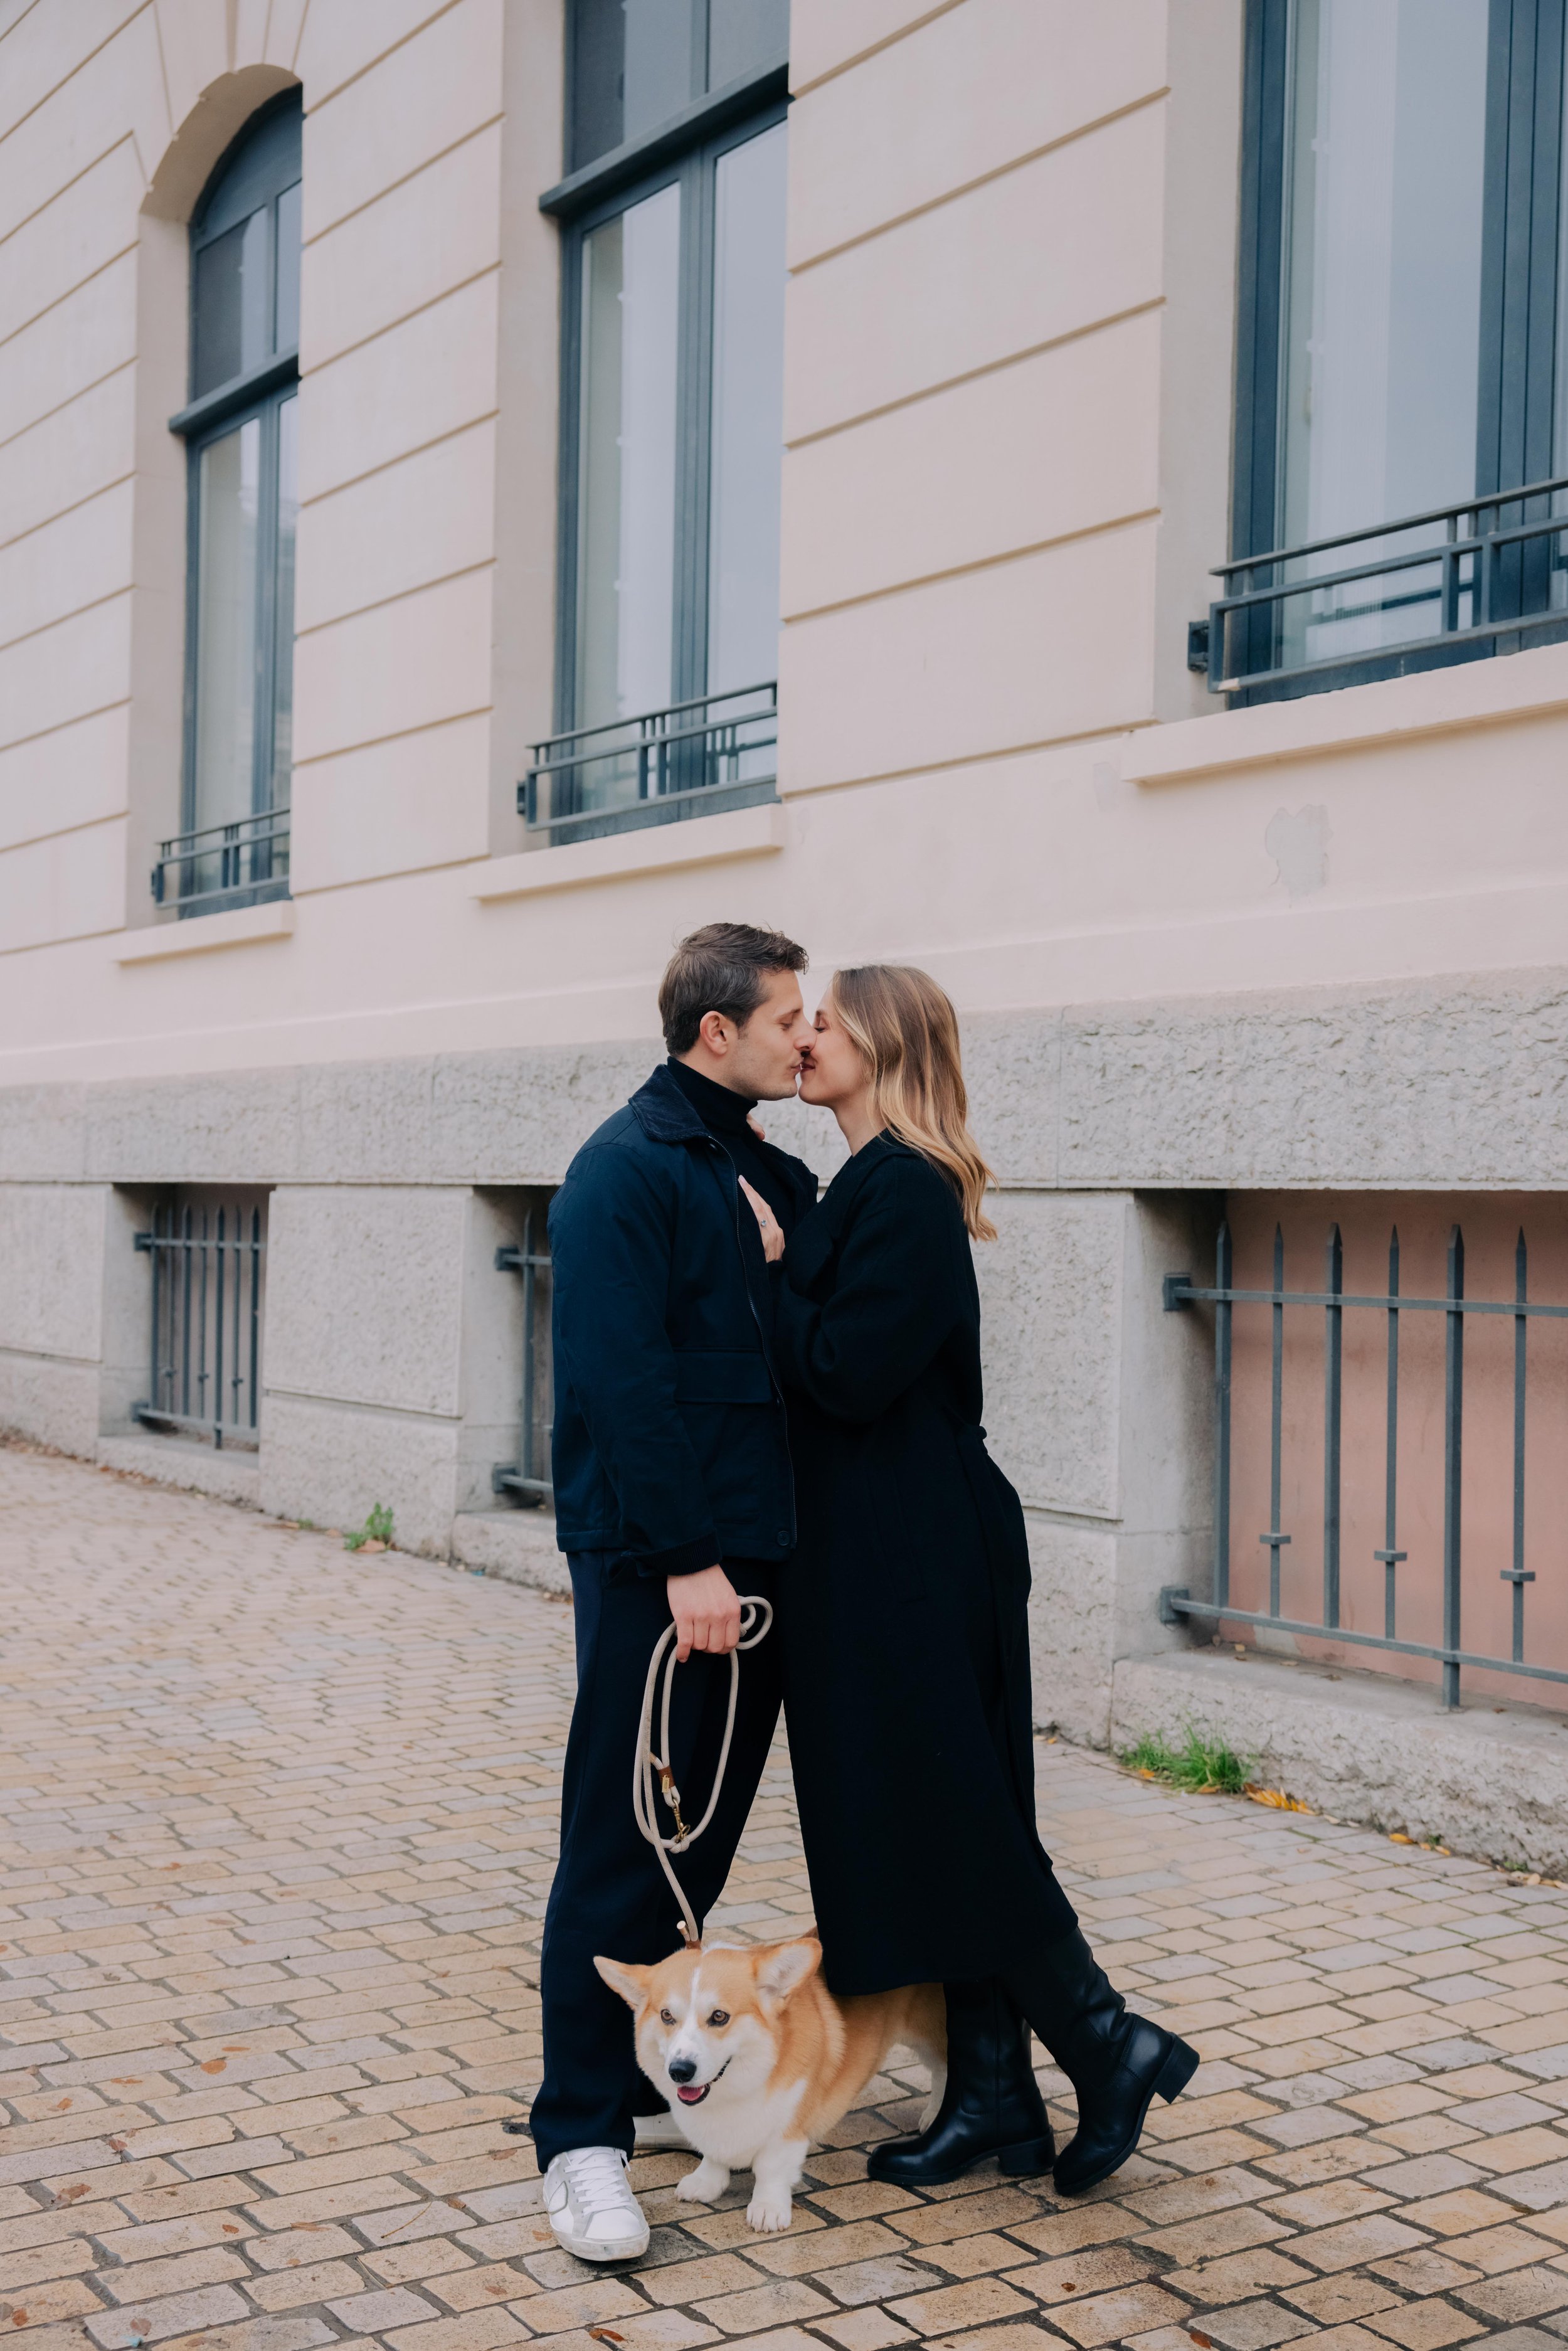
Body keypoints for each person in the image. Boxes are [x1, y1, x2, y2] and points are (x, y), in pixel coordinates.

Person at [739, 964, 1197, 2197]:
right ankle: (993, 2091)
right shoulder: (865, 1182)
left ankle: (1105, 2041)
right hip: (871, 1550)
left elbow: (841, 1372)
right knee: (921, 1820)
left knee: (953, 1817)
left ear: (883, 1046)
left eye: (826, 1019)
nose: (804, 1034)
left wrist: (775, 1267)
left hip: (916, 1554)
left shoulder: (907, 1191)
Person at [527, 923, 818, 2259]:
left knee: (693, 1837)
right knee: (621, 1836)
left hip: (750, 1552)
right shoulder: (623, 1169)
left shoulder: (759, 1167)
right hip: (668, 1561)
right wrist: (688, 1557)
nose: (802, 1038)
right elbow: (617, 1380)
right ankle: (578, 2132)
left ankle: (653, 2077)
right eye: (785, 1019)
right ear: (718, 1032)